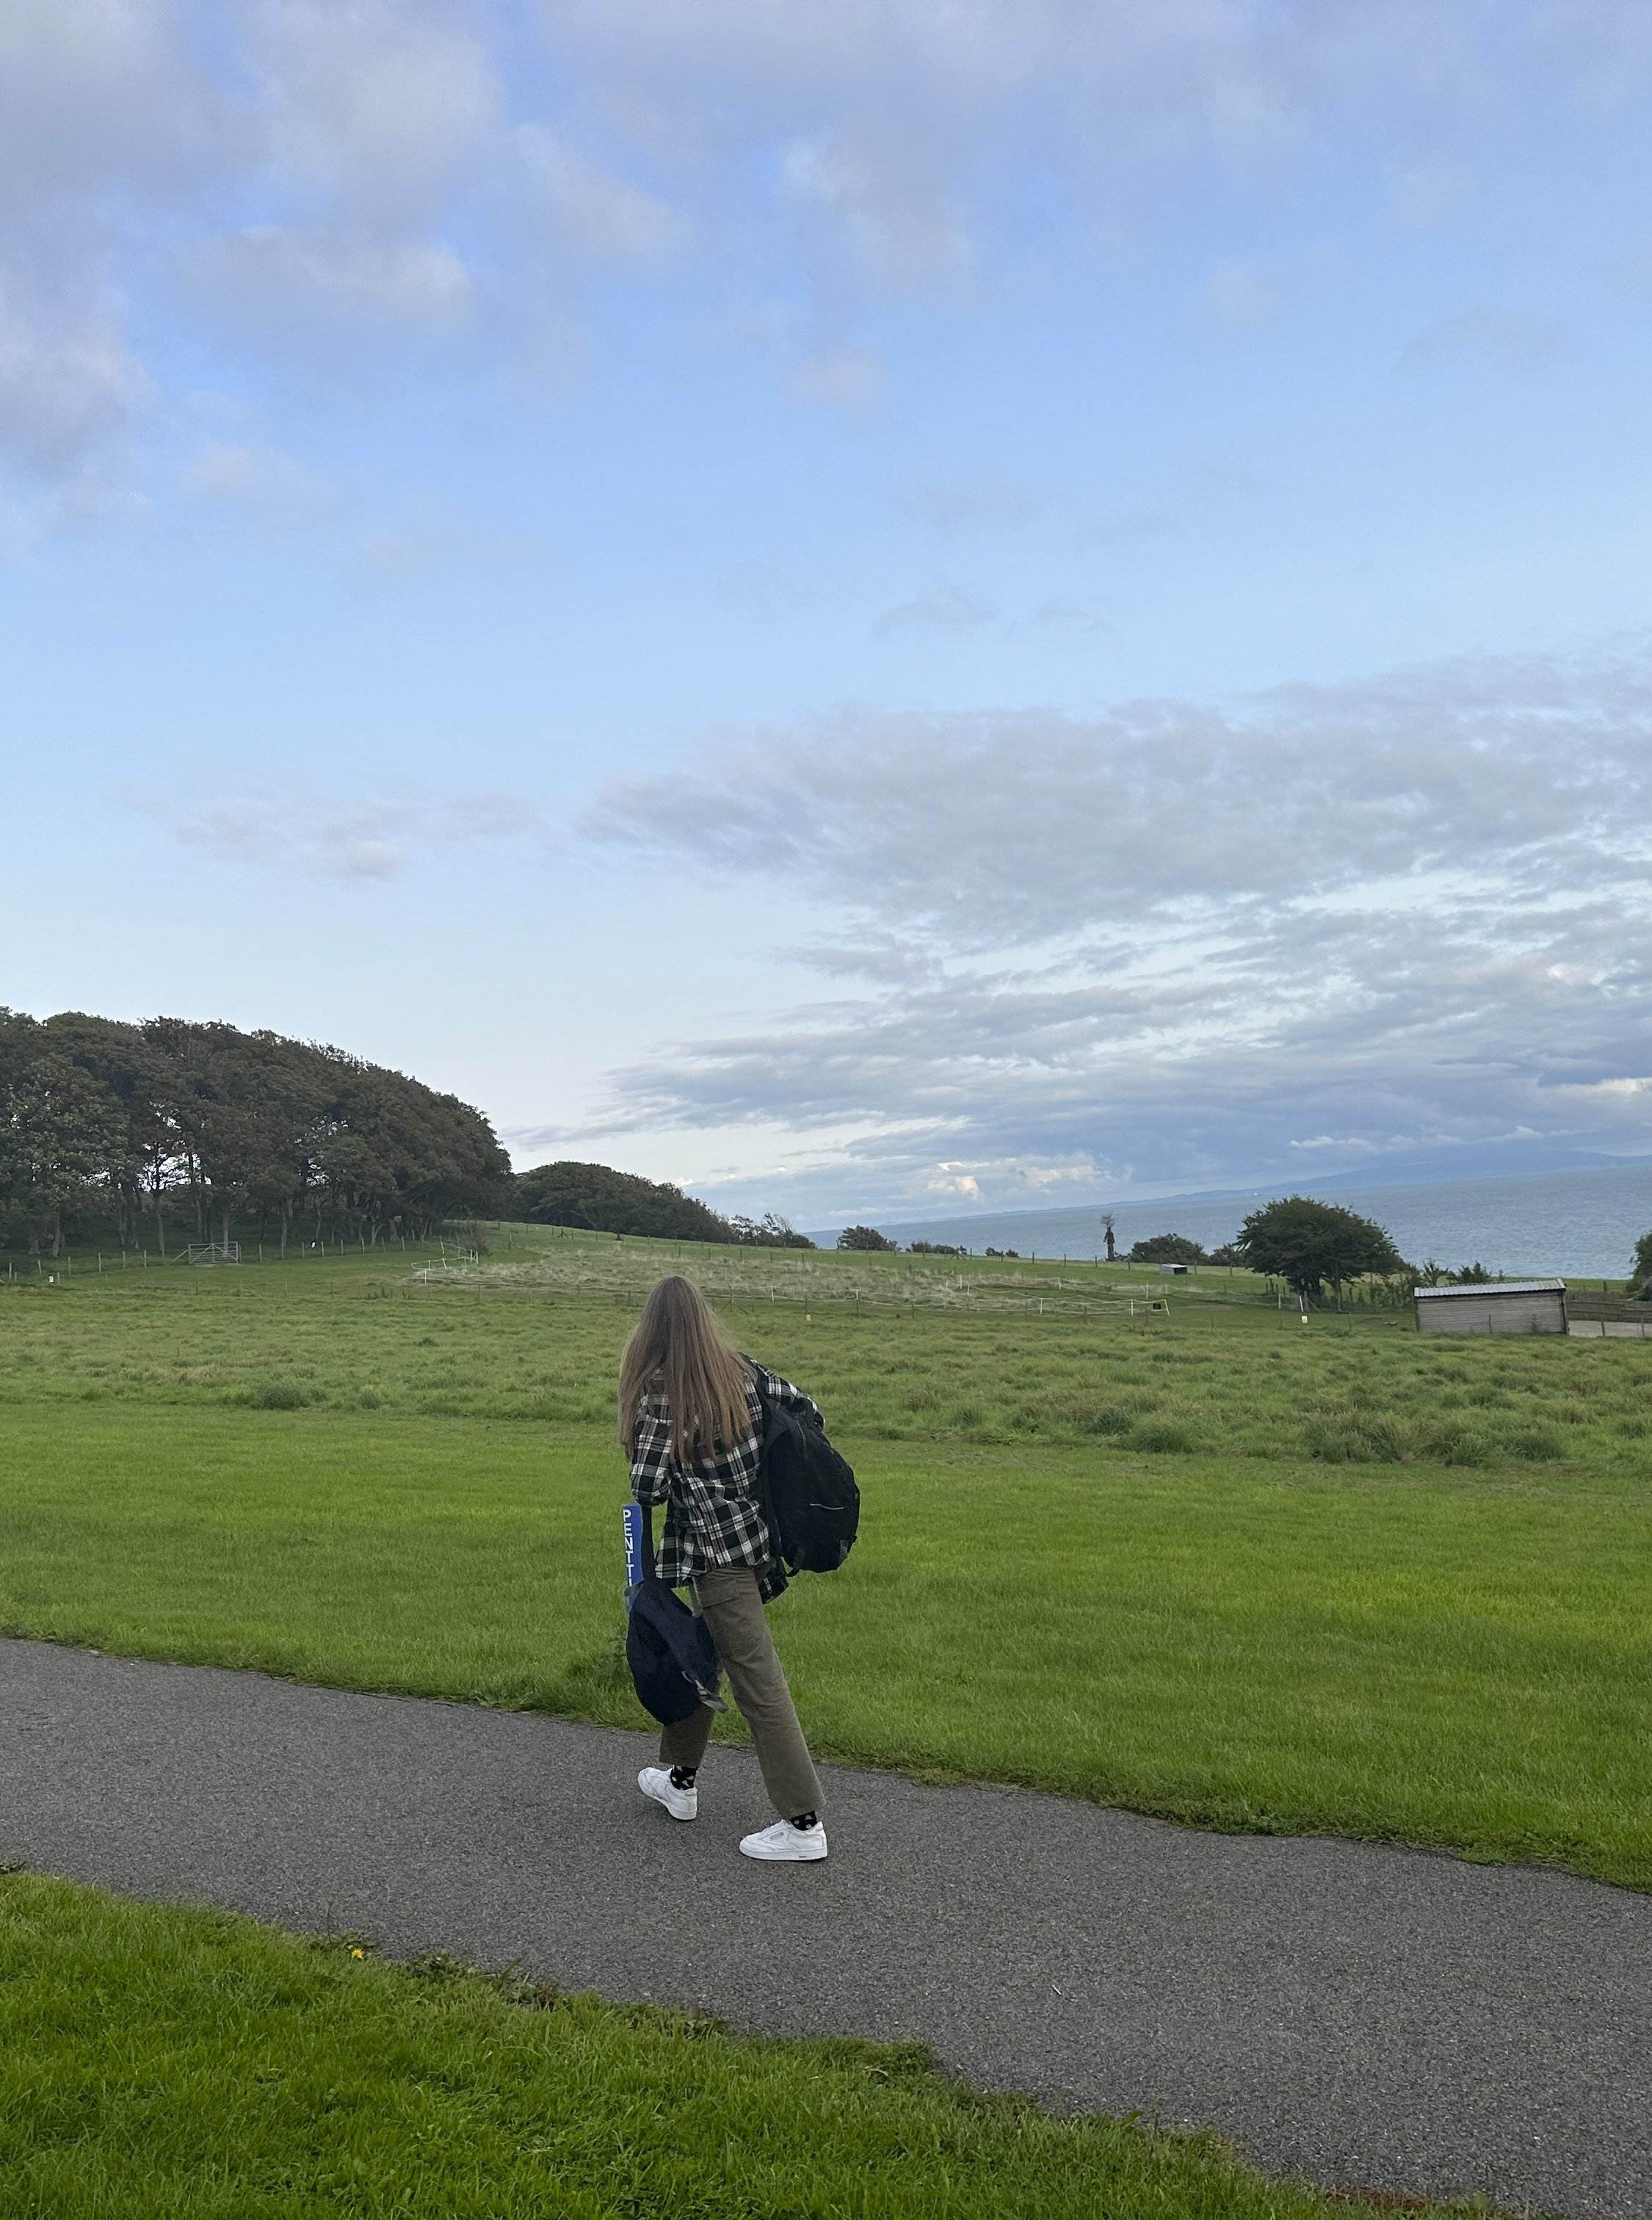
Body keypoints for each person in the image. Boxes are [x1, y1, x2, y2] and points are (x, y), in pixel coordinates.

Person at [620, 1273, 828, 1863]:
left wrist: (642, 1433)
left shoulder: (663, 1391)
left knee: (759, 1685)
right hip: (756, 1542)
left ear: (654, 1329)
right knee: (698, 1658)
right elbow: (807, 1411)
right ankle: (680, 1782)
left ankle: (803, 1823)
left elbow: (648, 1486)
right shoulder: (742, 1370)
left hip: (719, 1560)